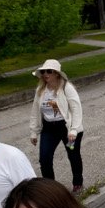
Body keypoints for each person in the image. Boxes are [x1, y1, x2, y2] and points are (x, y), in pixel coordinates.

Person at [28, 59, 84, 195]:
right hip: (49, 127)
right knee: (44, 158)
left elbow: (76, 109)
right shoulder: (41, 90)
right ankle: (50, 189)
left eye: (49, 71)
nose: (45, 74)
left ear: (57, 74)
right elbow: (35, 111)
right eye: (43, 72)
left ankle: (78, 183)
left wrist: (74, 130)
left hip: (66, 127)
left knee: (73, 155)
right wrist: (34, 132)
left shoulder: (66, 87)